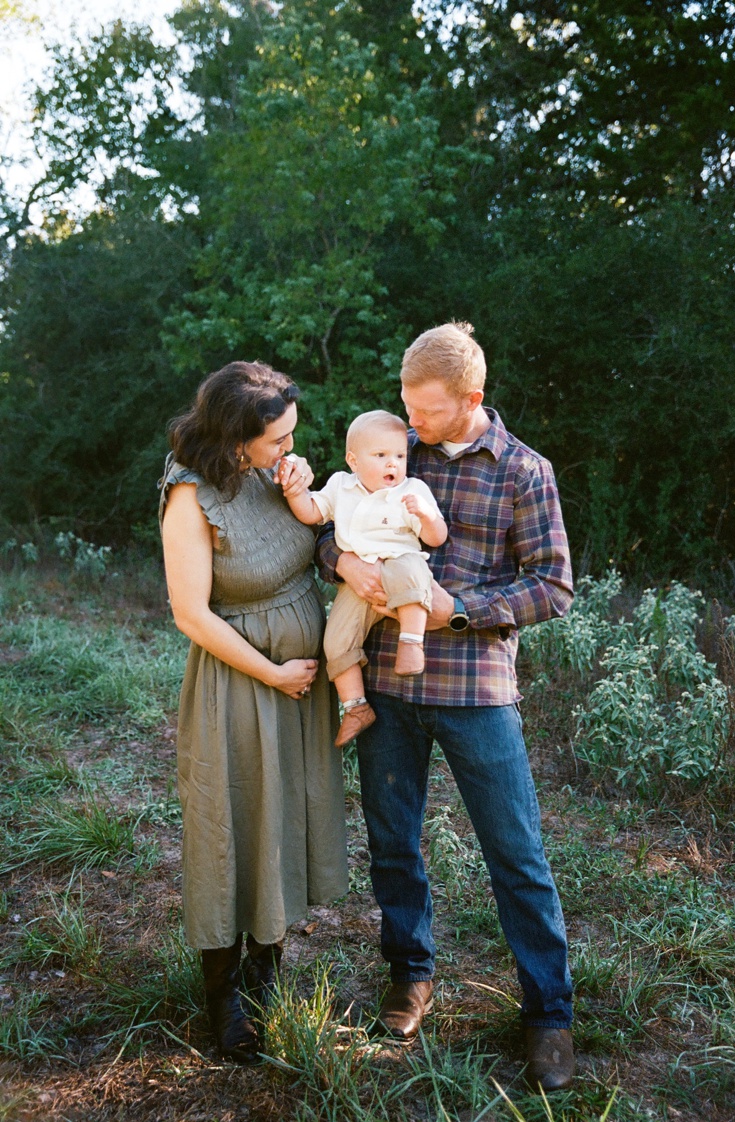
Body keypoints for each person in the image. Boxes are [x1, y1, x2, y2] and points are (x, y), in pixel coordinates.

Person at [317, 322, 576, 1090]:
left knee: (516, 854)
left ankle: (549, 1015)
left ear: (472, 399)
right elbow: (334, 526)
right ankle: (411, 976)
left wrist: (454, 611)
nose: (412, 424)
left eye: (426, 412)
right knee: (393, 841)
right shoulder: (397, 450)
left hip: (475, 692)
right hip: (388, 686)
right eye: (406, 407)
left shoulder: (525, 472)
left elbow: (553, 588)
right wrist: (348, 562)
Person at [158, 361, 345, 1063]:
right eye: (277, 442)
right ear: (237, 439)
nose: (289, 449)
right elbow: (190, 613)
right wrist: (272, 671)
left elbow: (323, 541)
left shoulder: (279, 474)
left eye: (292, 437)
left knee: (283, 815)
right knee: (230, 825)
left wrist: (306, 498)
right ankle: (224, 996)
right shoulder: (190, 496)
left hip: (302, 683)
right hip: (241, 683)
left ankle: (270, 973)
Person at [285, 410, 448, 748]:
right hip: (356, 583)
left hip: (398, 567)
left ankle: (411, 643)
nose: (393, 464)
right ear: (353, 461)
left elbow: (435, 538)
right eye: (381, 456)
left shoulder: (411, 490)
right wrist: (294, 493)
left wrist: (427, 515)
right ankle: (356, 707)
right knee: (336, 640)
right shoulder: (340, 486)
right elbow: (312, 513)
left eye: (400, 456)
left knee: (413, 571)